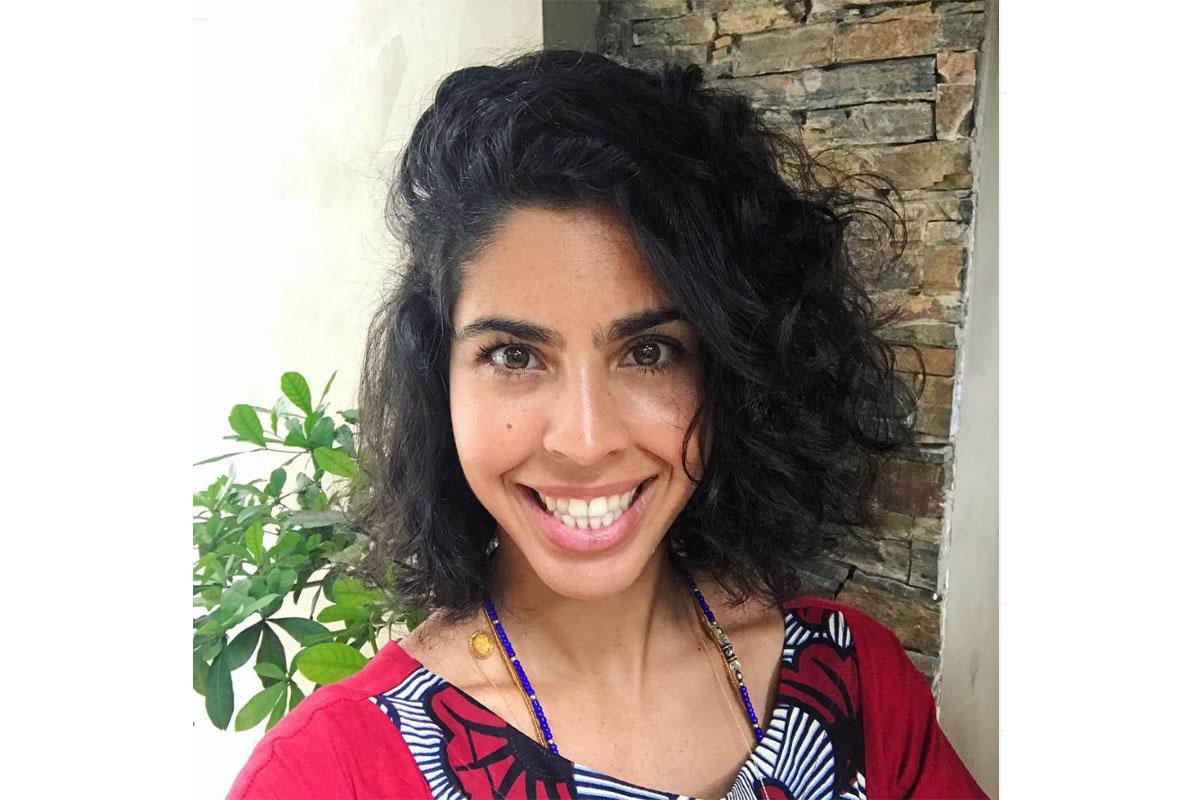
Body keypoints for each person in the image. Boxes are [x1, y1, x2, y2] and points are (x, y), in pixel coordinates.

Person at [228, 49, 988, 799]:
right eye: (514, 355)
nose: (585, 440)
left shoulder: (855, 684)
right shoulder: (328, 775)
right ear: (439, 379)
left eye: (648, 352)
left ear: (736, 371)